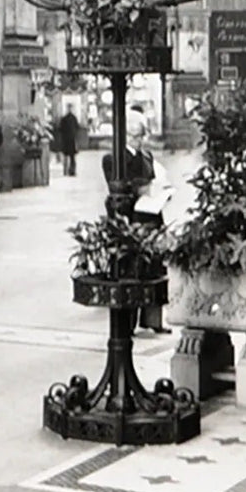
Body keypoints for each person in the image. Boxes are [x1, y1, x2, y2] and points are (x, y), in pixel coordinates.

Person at [102, 124, 173, 334]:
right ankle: (128, 323)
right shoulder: (112, 158)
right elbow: (117, 186)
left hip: (152, 215)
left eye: (141, 135)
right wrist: (139, 188)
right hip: (130, 219)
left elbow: (156, 179)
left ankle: (152, 320)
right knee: (132, 271)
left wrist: (162, 191)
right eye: (133, 135)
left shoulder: (147, 156)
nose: (138, 140)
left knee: (155, 268)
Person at [56, 107, 81, 176]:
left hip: (65, 140)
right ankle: (72, 171)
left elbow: (60, 129)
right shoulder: (74, 118)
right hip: (72, 140)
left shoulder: (64, 119)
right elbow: (77, 127)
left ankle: (65, 171)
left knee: (66, 156)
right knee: (72, 157)